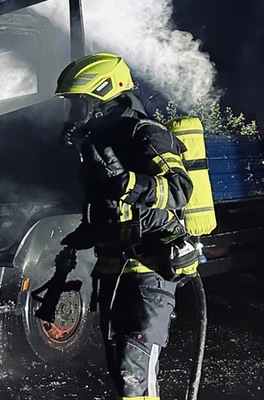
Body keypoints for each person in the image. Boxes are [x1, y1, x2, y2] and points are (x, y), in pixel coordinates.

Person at [54, 53, 199, 399]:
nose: (74, 112)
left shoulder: (145, 133)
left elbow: (180, 190)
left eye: (80, 103)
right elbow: (105, 210)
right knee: (121, 373)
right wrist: (82, 237)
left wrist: (130, 184)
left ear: (105, 97)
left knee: (135, 376)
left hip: (149, 272)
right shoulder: (97, 146)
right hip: (113, 275)